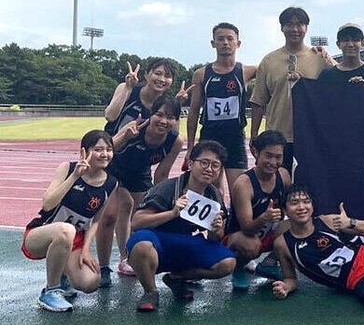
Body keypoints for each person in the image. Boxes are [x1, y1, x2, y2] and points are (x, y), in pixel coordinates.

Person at [127, 140, 236, 312]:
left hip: (187, 244)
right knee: (142, 246)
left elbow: (215, 238)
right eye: (204, 163)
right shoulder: (168, 188)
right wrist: (172, 213)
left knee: (228, 263)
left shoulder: (214, 195)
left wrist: (216, 229)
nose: (209, 169)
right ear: (191, 164)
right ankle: (150, 291)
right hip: (157, 241)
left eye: (215, 165)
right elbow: (136, 222)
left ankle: (177, 277)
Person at [22, 130, 119, 311]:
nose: (104, 154)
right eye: (98, 149)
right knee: (66, 230)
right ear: (85, 151)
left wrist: (86, 250)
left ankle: (63, 276)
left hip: (74, 240)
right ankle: (50, 291)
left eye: (109, 149)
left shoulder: (111, 183)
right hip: (42, 233)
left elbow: (96, 220)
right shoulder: (67, 168)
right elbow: (48, 204)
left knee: (91, 282)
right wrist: (75, 176)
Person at [96, 95, 183, 285]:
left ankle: (127, 258)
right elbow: (106, 150)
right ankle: (103, 268)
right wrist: (125, 136)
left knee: (141, 219)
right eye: (159, 114)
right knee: (110, 215)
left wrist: (161, 202)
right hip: (113, 168)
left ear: (176, 120)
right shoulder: (136, 127)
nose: (163, 121)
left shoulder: (175, 141)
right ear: (151, 114)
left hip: (140, 173)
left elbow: (162, 174)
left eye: (170, 117)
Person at [250, 7, 335, 173]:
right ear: (282, 28)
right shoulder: (268, 61)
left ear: (306, 28)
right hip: (278, 136)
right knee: (277, 182)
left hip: (310, 134)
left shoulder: (320, 58)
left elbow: (342, 80)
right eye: (289, 24)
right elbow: (259, 101)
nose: (295, 29)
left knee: (308, 184)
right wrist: (254, 135)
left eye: (300, 24)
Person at [185, 22, 257, 192]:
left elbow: (275, 72)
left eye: (230, 39)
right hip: (210, 136)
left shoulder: (247, 71)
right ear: (213, 43)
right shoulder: (201, 74)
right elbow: (193, 111)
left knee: (239, 189)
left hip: (235, 138)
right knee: (211, 189)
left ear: (238, 43)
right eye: (220, 39)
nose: (225, 43)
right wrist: (190, 146)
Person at [225, 130, 291, 290]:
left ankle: (269, 263)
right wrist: (265, 218)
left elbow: (287, 207)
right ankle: (239, 267)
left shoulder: (283, 175)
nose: (273, 162)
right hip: (239, 236)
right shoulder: (244, 184)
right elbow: (246, 228)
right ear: (256, 153)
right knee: (251, 245)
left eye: (278, 157)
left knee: (300, 225)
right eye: (268, 156)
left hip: (266, 231)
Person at [103, 58, 190, 135]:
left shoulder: (166, 103)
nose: (161, 79)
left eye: (167, 76)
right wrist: (127, 88)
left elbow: (173, 136)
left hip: (142, 147)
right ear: (146, 75)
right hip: (113, 143)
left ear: (172, 81)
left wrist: (177, 105)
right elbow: (110, 116)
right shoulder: (127, 88)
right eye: (157, 73)